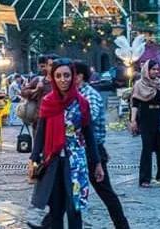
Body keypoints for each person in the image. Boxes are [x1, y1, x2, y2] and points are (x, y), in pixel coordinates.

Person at [28, 60, 105, 229]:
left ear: (73, 76)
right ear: (53, 78)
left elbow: (88, 134)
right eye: (58, 76)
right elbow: (40, 133)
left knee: (74, 207)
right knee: (55, 209)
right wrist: (33, 158)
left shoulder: (81, 103)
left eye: (67, 75)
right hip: (52, 161)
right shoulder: (48, 102)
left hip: (76, 162)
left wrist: (97, 162)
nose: (63, 80)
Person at [75, 61, 130, 229]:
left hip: (92, 149)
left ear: (80, 76)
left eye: (70, 75)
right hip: (76, 150)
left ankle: (122, 225)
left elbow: (86, 120)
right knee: (68, 190)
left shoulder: (89, 95)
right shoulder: (76, 94)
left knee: (105, 191)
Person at [130, 60, 160, 188]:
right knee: (147, 148)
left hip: (159, 117)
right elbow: (135, 103)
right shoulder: (139, 85)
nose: (155, 72)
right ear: (146, 70)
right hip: (146, 119)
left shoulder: (159, 84)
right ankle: (145, 179)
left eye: (157, 69)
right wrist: (133, 120)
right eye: (153, 69)